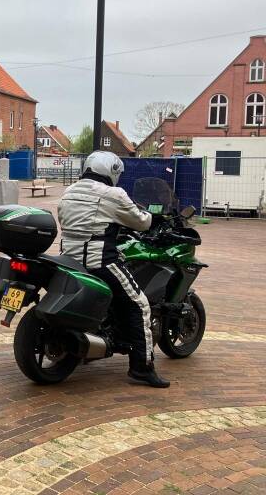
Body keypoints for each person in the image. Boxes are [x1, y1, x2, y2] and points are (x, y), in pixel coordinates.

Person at [57, 150, 169, 388]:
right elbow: (141, 221)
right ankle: (141, 368)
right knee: (140, 304)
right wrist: (155, 219)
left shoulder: (70, 190)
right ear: (112, 171)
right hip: (99, 261)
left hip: (68, 259)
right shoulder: (113, 194)